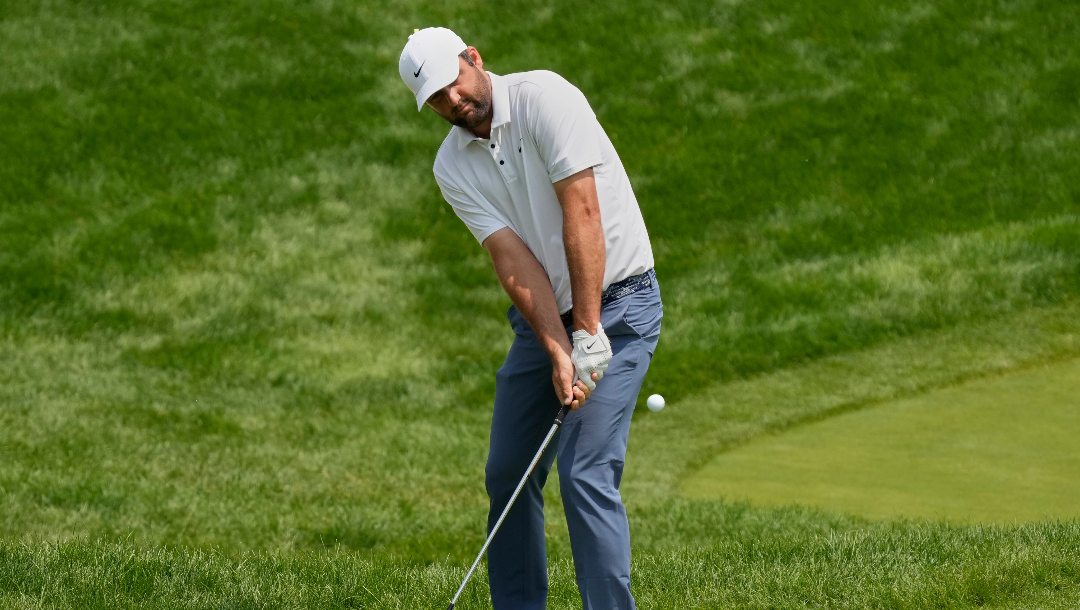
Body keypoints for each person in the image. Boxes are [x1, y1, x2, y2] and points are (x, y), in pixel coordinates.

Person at [398, 27, 662, 610]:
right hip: (546, 321)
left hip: (619, 305)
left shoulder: (547, 97)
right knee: (508, 471)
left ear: (475, 59)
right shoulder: (451, 167)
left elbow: (583, 212)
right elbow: (512, 260)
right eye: (436, 100)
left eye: (453, 84)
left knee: (584, 472)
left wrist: (589, 333)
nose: (452, 103)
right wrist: (558, 348)